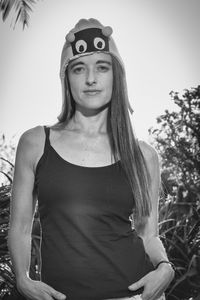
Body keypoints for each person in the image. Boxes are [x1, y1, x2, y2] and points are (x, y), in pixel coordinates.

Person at [8, 18, 175, 300]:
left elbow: (148, 233)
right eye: (78, 68)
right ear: (66, 77)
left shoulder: (143, 155)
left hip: (134, 295)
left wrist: (165, 268)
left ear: (116, 75)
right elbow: (21, 226)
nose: (91, 79)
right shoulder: (35, 142)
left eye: (102, 66)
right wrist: (23, 280)